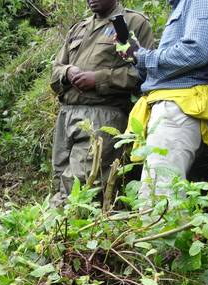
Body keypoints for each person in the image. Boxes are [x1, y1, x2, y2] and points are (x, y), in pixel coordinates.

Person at [50, 0, 154, 203]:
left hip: (103, 114)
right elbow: (54, 71)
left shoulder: (133, 22)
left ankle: (69, 229)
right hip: (67, 114)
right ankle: (58, 231)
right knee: (58, 181)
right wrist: (68, 71)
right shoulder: (79, 27)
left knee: (82, 187)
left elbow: (143, 73)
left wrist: (99, 79)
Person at [120, 0, 208, 198]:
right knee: (160, 193)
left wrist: (144, 57)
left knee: (159, 196)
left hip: (180, 107)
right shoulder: (184, 4)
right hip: (175, 105)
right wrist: (136, 56)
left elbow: (195, 52)